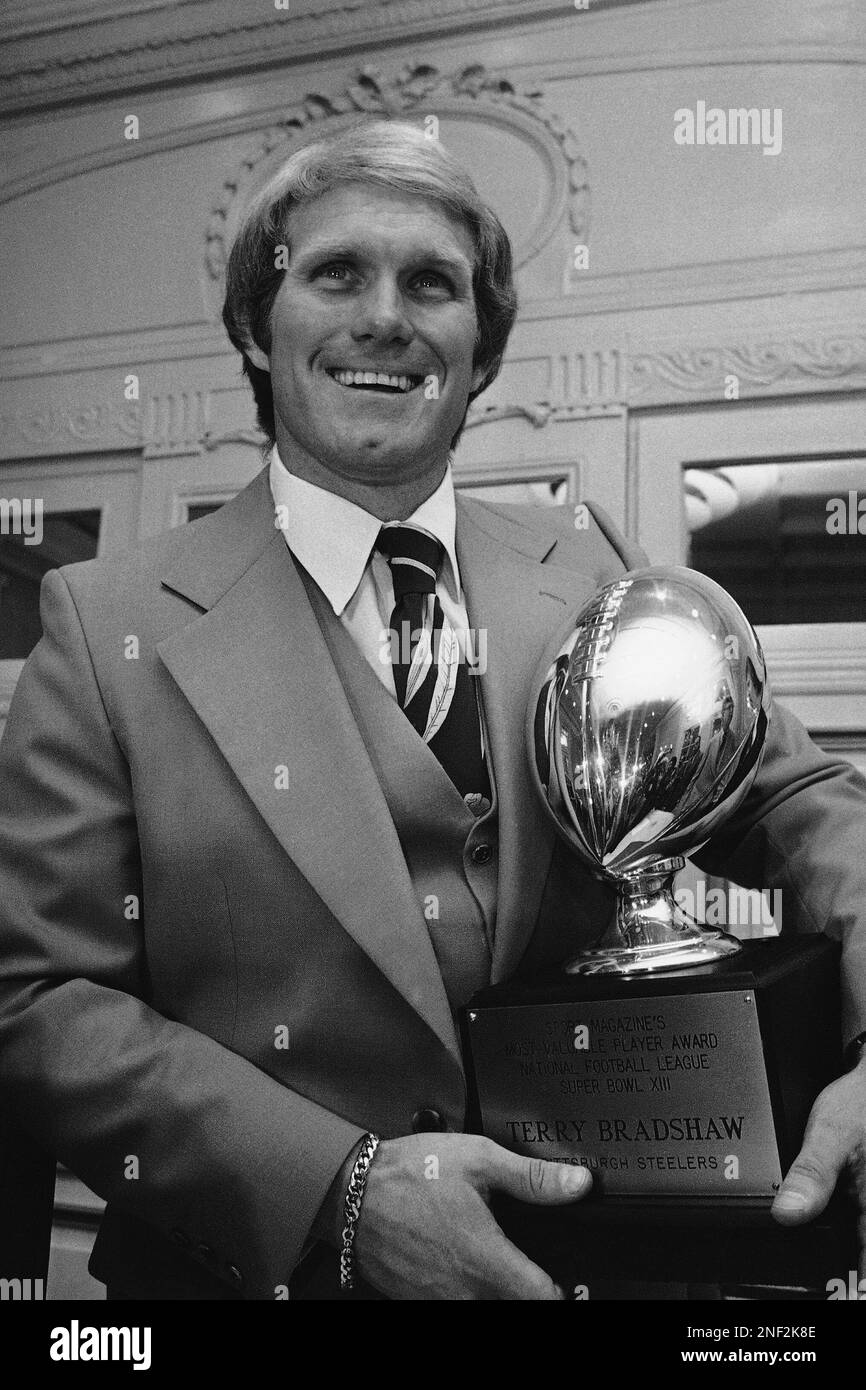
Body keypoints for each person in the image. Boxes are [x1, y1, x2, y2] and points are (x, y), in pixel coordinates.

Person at [0, 120, 864, 1302]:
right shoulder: (103, 626)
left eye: (432, 284)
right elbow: (38, 999)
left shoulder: (590, 565)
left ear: (479, 345)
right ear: (260, 322)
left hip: (605, 1276)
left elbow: (805, 803)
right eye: (336, 272)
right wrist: (338, 1191)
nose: (385, 318)